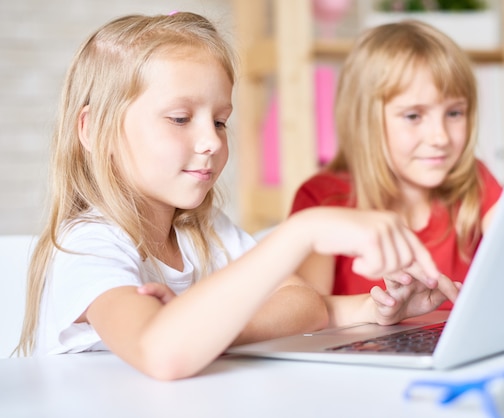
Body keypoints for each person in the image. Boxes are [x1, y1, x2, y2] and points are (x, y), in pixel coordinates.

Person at [15, 12, 458, 381]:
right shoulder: (87, 246)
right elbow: (162, 352)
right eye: (180, 118)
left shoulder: (205, 234)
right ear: (94, 129)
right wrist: (303, 232)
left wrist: (376, 309)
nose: (210, 140)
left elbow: (305, 303)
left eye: (220, 121)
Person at [290, 20, 503, 311]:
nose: (440, 137)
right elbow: (303, 315)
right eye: (414, 116)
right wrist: (379, 309)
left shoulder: (475, 181)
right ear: (365, 121)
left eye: (454, 113)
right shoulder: (323, 200)